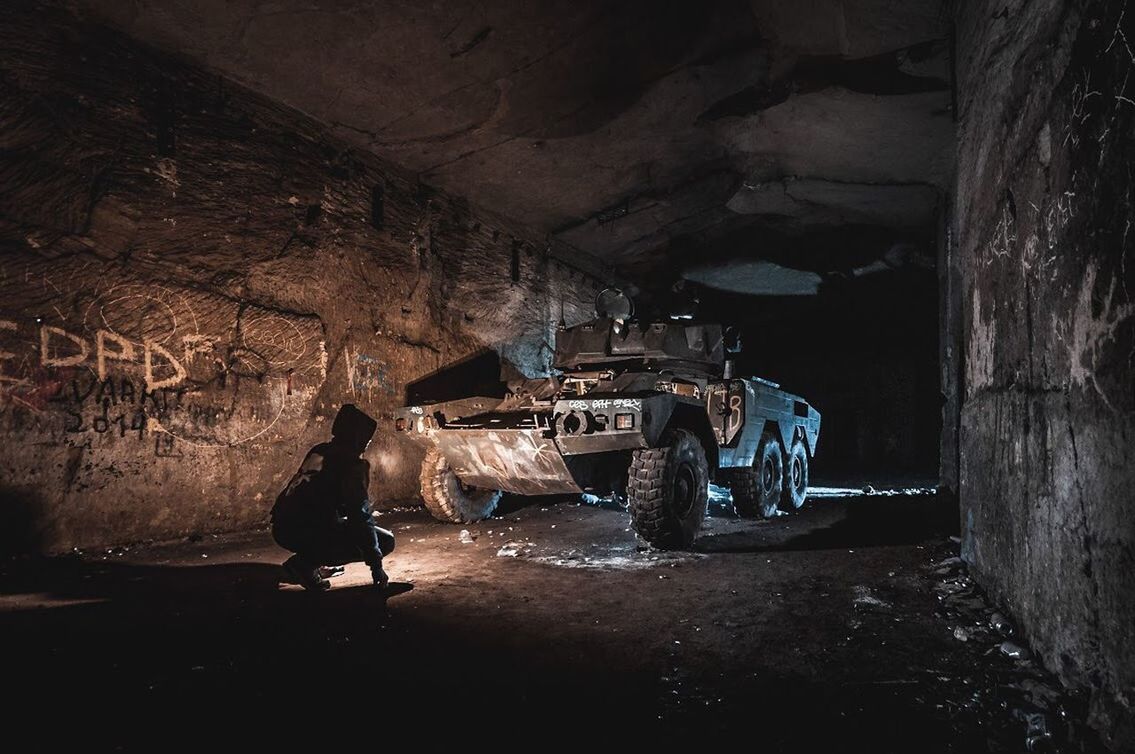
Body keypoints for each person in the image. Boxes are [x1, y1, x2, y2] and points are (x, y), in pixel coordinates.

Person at [271, 404, 394, 591]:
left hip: (281, 527)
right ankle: (305, 563)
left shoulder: (320, 449)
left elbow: (320, 492)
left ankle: (314, 559)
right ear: (358, 439)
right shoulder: (353, 465)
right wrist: (376, 566)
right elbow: (359, 517)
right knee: (385, 541)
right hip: (305, 532)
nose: (367, 445)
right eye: (367, 440)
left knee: (329, 522)